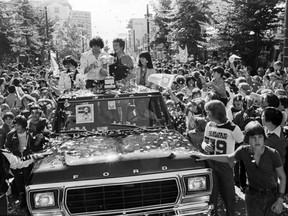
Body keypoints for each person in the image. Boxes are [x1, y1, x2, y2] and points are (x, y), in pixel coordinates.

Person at [191, 121, 286, 216]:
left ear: (264, 138)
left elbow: (282, 177)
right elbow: (228, 158)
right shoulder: (243, 151)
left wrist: (280, 199)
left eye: (260, 137)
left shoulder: (273, 154)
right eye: (253, 138)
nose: (257, 141)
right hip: (253, 196)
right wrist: (206, 157)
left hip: (271, 195)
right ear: (247, 139)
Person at [201, 100, 244, 216]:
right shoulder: (209, 125)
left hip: (225, 164)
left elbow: (243, 145)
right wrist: (205, 146)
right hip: (211, 163)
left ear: (215, 113)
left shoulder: (233, 128)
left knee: (229, 195)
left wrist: (234, 158)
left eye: (207, 112)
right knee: (211, 195)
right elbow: (204, 142)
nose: (206, 115)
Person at [5, 115, 45, 207]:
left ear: (23, 125)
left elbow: (36, 147)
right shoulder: (10, 135)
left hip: (28, 160)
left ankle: (29, 199)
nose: (16, 127)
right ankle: (22, 198)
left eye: (18, 125)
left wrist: (39, 139)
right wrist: (16, 149)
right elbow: (7, 147)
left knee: (28, 179)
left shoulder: (30, 133)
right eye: (15, 125)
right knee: (19, 180)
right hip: (17, 160)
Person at [0, 149, 48, 215]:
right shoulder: (3, 154)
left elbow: (19, 162)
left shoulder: (4, 155)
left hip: (1, 197)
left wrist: (35, 156)